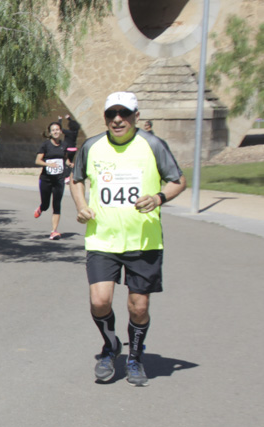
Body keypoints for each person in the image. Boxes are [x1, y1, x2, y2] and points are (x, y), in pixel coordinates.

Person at [68, 91, 185, 387]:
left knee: (139, 307)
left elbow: (178, 180)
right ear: (106, 118)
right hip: (102, 240)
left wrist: (158, 198)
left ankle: (135, 357)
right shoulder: (92, 146)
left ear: (135, 116)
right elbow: (76, 179)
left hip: (143, 241)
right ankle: (111, 346)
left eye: (124, 113)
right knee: (99, 301)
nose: (117, 119)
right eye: (111, 114)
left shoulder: (153, 145)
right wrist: (81, 206)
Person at [33, 121, 72, 240]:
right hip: (46, 179)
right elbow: (37, 161)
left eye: (57, 130)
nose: (55, 132)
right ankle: (41, 208)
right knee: (46, 205)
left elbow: (65, 159)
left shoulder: (64, 145)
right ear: (50, 133)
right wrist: (48, 164)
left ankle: (54, 231)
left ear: (60, 131)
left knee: (57, 204)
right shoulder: (45, 145)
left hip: (59, 179)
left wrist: (70, 164)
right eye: (53, 130)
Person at [59, 114, 81, 184]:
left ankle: (65, 177)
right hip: (74, 150)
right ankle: (68, 177)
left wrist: (60, 120)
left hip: (67, 149)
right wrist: (69, 118)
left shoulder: (68, 132)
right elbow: (74, 124)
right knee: (70, 163)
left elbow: (59, 129)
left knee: (65, 163)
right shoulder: (75, 132)